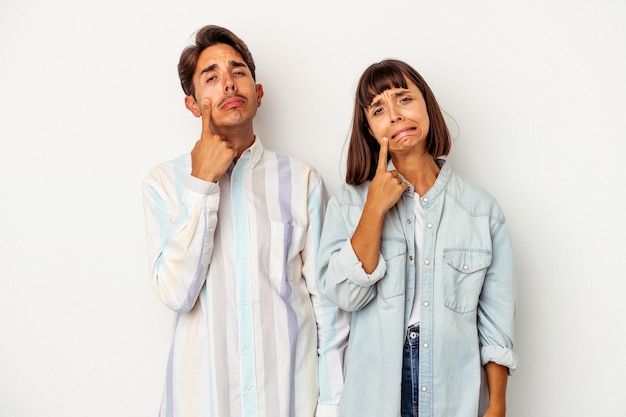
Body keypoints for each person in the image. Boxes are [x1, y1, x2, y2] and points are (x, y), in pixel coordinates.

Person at [143, 25, 348, 417]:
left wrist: (332, 402)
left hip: (290, 401)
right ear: (192, 104)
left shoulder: (302, 180)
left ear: (258, 92)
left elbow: (328, 303)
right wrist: (201, 184)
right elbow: (174, 293)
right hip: (203, 403)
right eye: (212, 77)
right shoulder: (165, 184)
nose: (228, 84)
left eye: (238, 72)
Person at [317, 59, 517, 417]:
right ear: (368, 127)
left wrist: (497, 404)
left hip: (452, 391)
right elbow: (344, 294)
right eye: (379, 109)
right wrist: (374, 209)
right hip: (374, 395)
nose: (394, 115)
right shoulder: (349, 205)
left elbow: (496, 322)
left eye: (404, 99)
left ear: (427, 104)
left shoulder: (481, 211)